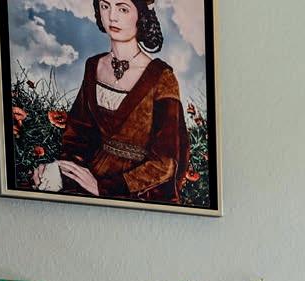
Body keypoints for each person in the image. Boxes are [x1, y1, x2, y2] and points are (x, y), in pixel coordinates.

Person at [34, 0, 189, 202]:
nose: (112, 17)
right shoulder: (93, 66)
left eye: (122, 9)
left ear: (141, 15)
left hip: (138, 190)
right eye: (105, 6)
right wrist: (60, 169)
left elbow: (165, 164)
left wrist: (104, 188)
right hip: (91, 173)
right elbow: (78, 135)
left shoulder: (162, 77)